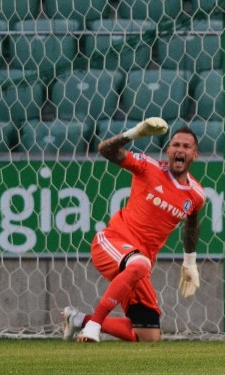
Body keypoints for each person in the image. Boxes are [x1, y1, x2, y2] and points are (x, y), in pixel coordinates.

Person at [61, 118, 205, 343]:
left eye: (186, 147)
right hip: (112, 242)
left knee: (148, 336)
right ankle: (94, 326)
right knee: (139, 263)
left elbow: (192, 224)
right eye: (175, 145)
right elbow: (105, 150)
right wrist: (134, 133)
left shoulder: (196, 195)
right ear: (168, 151)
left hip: (139, 265)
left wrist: (189, 262)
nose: (180, 150)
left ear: (195, 155)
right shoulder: (148, 167)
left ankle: (78, 319)